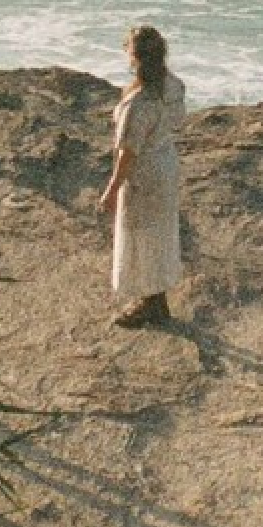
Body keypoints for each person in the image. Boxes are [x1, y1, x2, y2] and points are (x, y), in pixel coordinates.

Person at [99, 24, 185, 328]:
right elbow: (176, 121)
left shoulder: (139, 103)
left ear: (135, 58)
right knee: (159, 233)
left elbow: (128, 153)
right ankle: (158, 300)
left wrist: (111, 190)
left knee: (140, 236)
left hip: (143, 175)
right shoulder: (173, 85)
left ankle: (149, 304)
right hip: (166, 163)